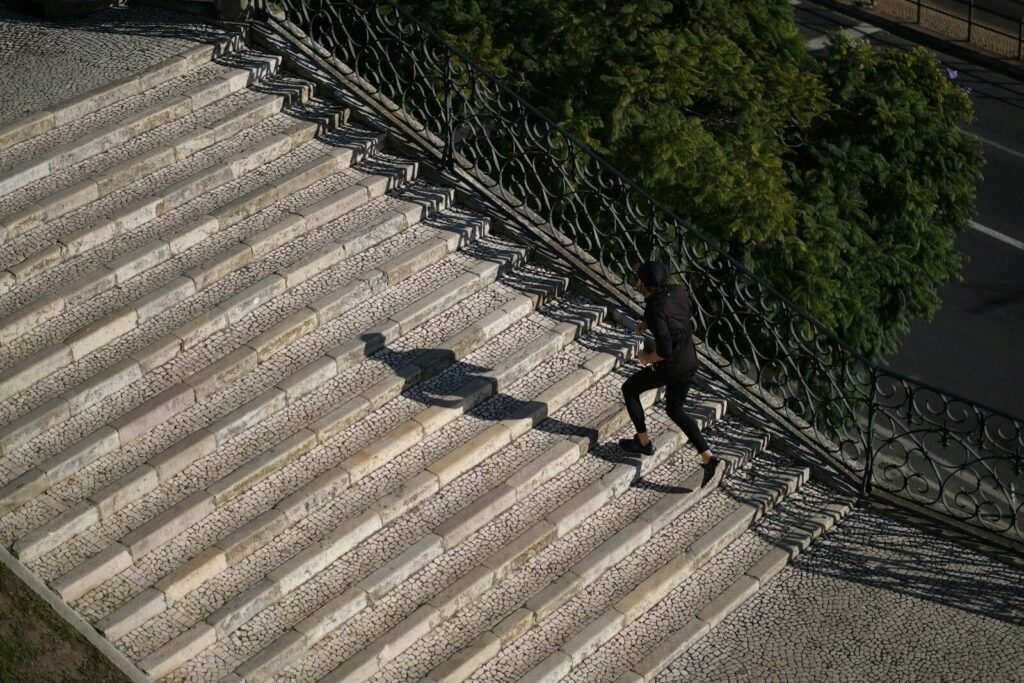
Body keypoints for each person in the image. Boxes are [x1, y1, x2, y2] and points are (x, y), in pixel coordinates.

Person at [619, 260, 716, 471]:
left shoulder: (655, 309)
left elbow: (664, 350)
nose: (638, 284)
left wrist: (646, 358)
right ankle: (708, 456)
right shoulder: (676, 291)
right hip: (689, 361)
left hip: (671, 367)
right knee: (675, 410)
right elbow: (673, 316)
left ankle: (643, 443)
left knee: (629, 389)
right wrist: (648, 323)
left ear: (645, 283)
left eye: (639, 281)